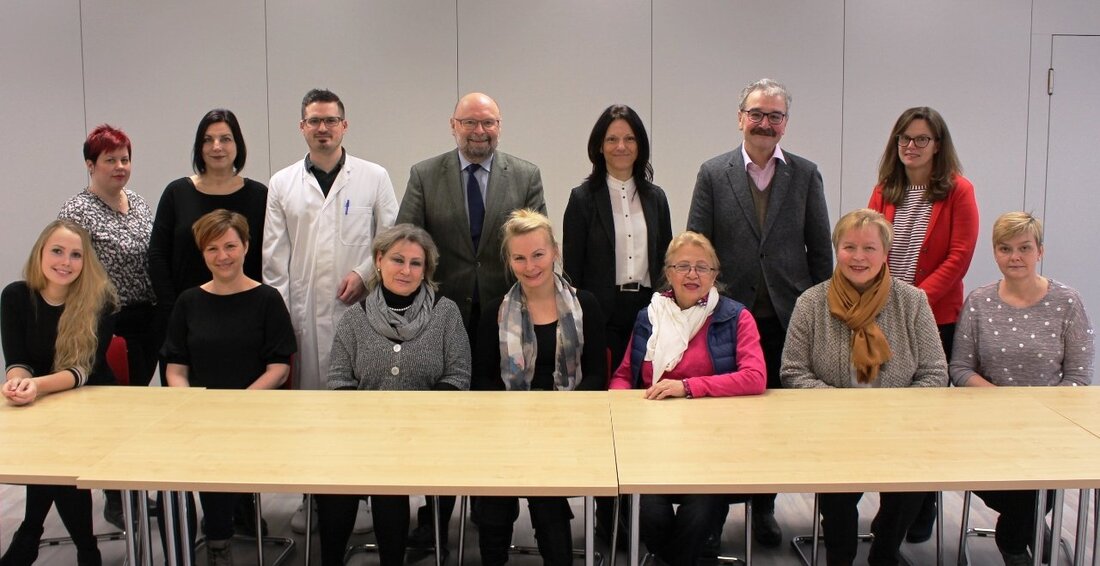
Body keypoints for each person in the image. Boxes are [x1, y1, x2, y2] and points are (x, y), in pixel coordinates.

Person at [686, 77, 832, 546]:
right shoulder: (713, 172)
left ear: (785, 124)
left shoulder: (806, 174)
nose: (764, 123)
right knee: (722, 419)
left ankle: (763, 508)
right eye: (757, 114)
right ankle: (709, 516)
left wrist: (820, 310)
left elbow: (820, 254)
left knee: (773, 423)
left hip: (787, 319)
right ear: (740, 117)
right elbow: (697, 245)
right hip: (726, 316)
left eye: (775, 116)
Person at [397, 91, 546, 549]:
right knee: (443, 418)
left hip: (507, 318)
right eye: (470, 123)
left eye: (488, 123)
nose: (479, 132)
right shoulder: (425, 174)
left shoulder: (524, 174)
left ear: (500, 126)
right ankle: (435, 517)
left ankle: (489, 505)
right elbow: (408, 236)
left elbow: (536, 238)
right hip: (442, 314)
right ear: (453, 125)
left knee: (494, 414)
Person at [780, 209, 947, 566]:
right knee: (838, 501)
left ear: (885, 253)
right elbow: (793, 372)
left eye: (869, 248)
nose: (858, 257)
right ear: (836, 250)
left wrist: (890, 412)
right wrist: (843, 409)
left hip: (900, 427)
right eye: (849, 246)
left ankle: (886, 550)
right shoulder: (810, 302)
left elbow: (935, 373)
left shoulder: (912, 301)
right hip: (833, 428)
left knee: (910, 488)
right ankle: (840, 555)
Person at [264, 88, 398, 531]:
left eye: (330, 120)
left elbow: (392, 240)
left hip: (360, 315)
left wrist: (365, 273)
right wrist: (281, 322)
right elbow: (273, 261)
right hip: (303, 315)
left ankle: (358, 495)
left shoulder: (373, 177)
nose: (323, 128)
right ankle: (312, 498)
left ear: (345, 125)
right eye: (314, 121)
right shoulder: (282, 183)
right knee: (310, 413)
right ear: (302, 127)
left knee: (357, 408)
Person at [609, 231, 767, 565]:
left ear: (715, 274)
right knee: (648, 512)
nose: (692, 274)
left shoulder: (737, 317)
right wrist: (621, 412)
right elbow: (625, 375)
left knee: (699, 511)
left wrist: (689, 387)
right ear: (668, 272)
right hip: (653, 442)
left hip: (713, 445)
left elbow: (755, 377)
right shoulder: (649, 316)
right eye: (683, 266)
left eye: (702, 267)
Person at [320, 224, 470, 566]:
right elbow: (340, 381)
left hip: (428, 434)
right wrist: (370, 426)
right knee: (336, 482)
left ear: (426, 269)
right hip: (364, 434)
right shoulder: (353, 320)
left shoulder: (445, 314)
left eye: (416, 263)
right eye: (397, 260)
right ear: (378, 260)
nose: (406, 270)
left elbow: (459, 377)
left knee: (389, 482)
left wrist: (416, 420)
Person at [951, 212, 1093, 566]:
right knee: (1026, 494)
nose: (1015, 257)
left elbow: (1078, 375)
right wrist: (1006, 404)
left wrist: (1038, 412)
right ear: (995, 253)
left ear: (1039, 251)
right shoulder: (979, 302)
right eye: (1005, 248)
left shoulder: (1067, 302)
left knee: (1035, 482)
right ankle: (1020, 538)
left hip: (1049, 429)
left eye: (1024, 248)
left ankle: (1016, 541)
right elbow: (960, 368)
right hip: (989, 427)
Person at [867, 106, 979, 542]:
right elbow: (869, 248)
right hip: (882, 317)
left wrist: (912, 302)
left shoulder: (958, 190)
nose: (911, 147)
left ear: (938, 145)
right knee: (888, 414)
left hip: (936, 320)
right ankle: (889, 502)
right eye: (904, 139)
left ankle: (923, 503)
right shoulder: (885, 190)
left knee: (926, 417)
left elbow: (959, 255)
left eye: (921, 139)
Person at [470, 209, 606, 565]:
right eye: (519, 257)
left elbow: (596, 376)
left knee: (548, 504)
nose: (530, 266)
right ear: (509, 260)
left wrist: (561, 413)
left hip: (568, 428)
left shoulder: (586, 305)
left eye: (538, 255)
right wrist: (516, 415)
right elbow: (482, 380)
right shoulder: (495, 313)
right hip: (508, 429)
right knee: (495, 503)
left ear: (555, 252)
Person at [161, 210, 296, 566]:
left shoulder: (267, 300)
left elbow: (279, 368)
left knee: (217, 450)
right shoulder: (188, 302)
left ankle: (219, 537)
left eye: (231, 246)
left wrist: (237, 404)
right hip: (200, 414)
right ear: (202, 253)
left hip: (255, 412)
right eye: (212, 248)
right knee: (173, 466)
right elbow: (175, 367)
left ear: (246, 247)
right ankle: (209, 537)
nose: (223, 256)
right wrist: (191, 402)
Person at [0, 220, 118, 566]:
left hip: (94, 400)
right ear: (40, 252)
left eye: (76, 255)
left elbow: (83, 370)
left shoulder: (102, 302)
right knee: (52, 455)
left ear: (86, 263)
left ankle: (30, 535)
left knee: (56, 455)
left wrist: (35, 386)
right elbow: (18, 360)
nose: (65, 262)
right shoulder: (16, 296)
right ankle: (86, 551)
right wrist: (19, 382)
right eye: (57, 251)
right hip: (43, 403)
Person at [57, 124, 156, 529]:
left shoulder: (138, 201)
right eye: (110, 160)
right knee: (113, 410)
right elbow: (67, 267)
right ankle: (116, 497)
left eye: (125, 159)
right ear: (90, 164)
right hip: (103, 320)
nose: (119, 167)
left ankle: (131, 487)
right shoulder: (76, 211)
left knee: (135, 408)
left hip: (147, 318)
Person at [150, 108, 267, 345]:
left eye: (225, 139)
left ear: (238, 145)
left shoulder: (259, 196)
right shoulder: (177, 193)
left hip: (246, 316)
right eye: (208, 140)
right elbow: (157, 255)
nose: (216, 147)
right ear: (199, 147)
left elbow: (268, 257)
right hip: (185, 319)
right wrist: (173, 310)